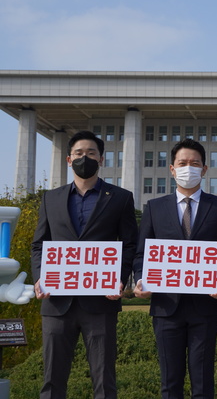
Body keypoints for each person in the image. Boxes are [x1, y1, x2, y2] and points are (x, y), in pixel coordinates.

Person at [31, 130, 138, 399]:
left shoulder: (121, 197)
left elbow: (129, 244)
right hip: (57, 302)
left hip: (101, 302)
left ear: (101, 159)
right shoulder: (50, 198)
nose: (84, 158)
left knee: (104, 379)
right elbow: (39, 244)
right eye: (79, 154)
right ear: (69, 159)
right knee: (52, 379)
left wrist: (121, 278)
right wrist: (39, 277)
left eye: (91, 153)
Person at [133, 138, 217, 398]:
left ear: (204, 169)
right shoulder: (154, 207)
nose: (188, 168)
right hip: (166, 306)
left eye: (194, 163)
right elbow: (142, 252)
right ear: (172, 168)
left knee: (203, 381)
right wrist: (140, 278)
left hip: (205, 307)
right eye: (182, 163)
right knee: (170, 381)